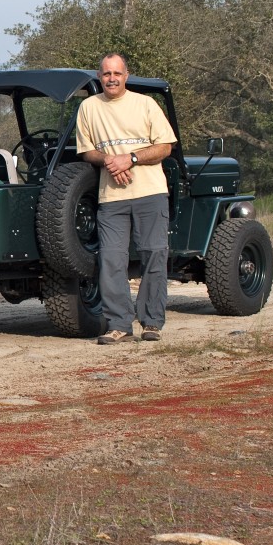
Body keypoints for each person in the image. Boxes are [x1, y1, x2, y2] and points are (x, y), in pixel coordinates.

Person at [75, 53, 177, 344]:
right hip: (112, 197)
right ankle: (118, 324)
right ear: (99, 76)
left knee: (154, 255)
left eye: (117, 73)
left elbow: (165, 147)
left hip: (150, 192)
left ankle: (152, 322)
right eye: (106, 74)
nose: (111, 78)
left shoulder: (146, 104)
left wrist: (130, 158)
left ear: (126, 76)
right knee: (111, 260)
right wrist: (110, 161)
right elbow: (86, 151)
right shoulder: (88, 108)